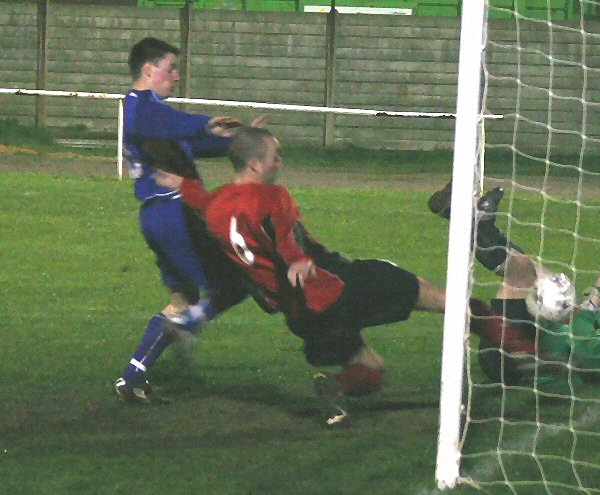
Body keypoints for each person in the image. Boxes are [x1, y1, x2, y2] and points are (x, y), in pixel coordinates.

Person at [154, 126, 533, 425]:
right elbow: (286, 236)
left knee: (372, 371)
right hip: (336, 287)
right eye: (275, 155)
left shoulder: (216, 205)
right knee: (447, 300)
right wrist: (298, 260)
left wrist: (182, 184)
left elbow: (201, 202)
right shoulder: (273, 197)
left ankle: (334, 387)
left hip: (303, 318)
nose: (280, 161)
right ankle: (528, 351)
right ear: (254, 164)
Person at [114, 37, 258, 404]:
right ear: (149, 70)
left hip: (158, 216)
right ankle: (188, 327)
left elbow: (189, 141)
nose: (176, 76)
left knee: (182, 298)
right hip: (175, 212)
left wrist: (241, 140)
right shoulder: (141, 107)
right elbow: (180, 125)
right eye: (170, 68)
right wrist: (206, 123)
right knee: (237, 282)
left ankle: (133, 376)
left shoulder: (156, 119)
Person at [450, 188, 600, 389]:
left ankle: (470, 223)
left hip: (516, 356)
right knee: (532, 269)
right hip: (527, 334)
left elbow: (586, 347)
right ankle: (475, 225)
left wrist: (576, 309)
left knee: (528, 272)